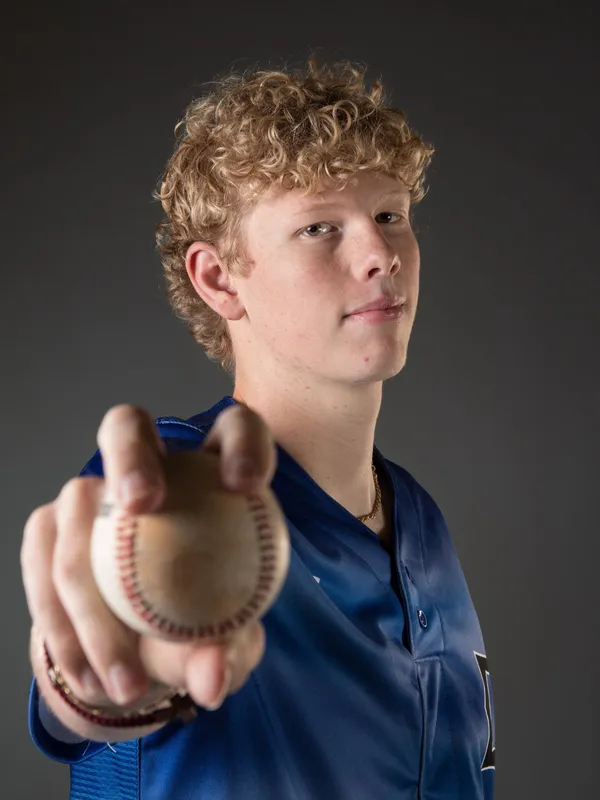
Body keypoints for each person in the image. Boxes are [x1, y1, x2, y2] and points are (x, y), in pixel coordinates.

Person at [21, 58, 496, 799]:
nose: (380, 256)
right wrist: (105, 678)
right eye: (318, 228)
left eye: (389, 215)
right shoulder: (177, 486)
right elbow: (106, 677)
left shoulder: (421, 521)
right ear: (218, 279)